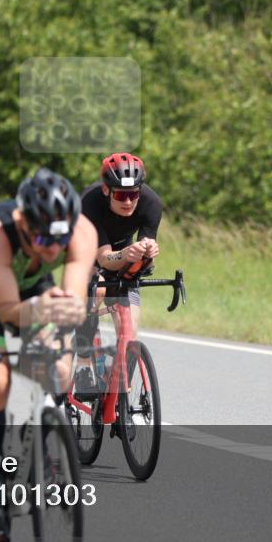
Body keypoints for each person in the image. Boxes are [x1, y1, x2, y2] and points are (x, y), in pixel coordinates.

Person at [0, 167, 97, 542]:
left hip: (34, 288)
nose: (51, 248)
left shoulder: (82, 232)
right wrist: (42, 309)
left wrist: (68, 308)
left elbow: (75, 299)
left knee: (60, 373)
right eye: (40, 237)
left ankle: (39, 435)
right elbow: (9, 313)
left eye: (58, 240)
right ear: (22, 223)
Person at [74, 153, 163, 390]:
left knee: (130, 333)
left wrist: (148, 251)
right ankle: (84, 362)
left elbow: (141, 257)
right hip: (86, 247)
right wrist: (125, 254)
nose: (128, 202)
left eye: (133, 194)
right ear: (106, 190)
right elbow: (104, 257)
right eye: (122, 195)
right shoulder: (89, 203)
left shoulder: (151, 204)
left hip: (121, 248)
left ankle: (118, 390)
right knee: (96, 287)